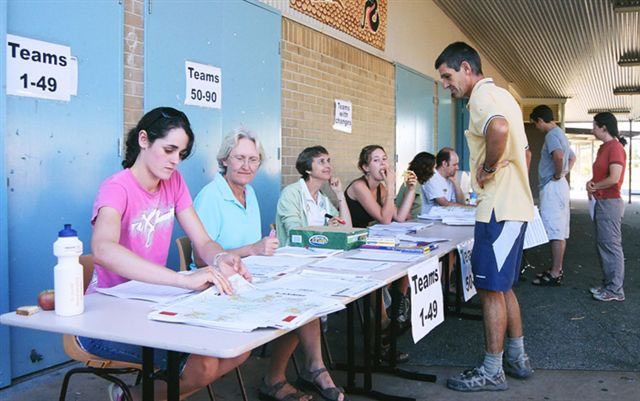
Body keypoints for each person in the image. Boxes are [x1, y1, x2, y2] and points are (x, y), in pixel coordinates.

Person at [78, 107, 251, 401]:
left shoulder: (174, 183)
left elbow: (204, 242)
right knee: (203, 366)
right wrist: (182, 280)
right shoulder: (116, 188)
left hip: (151, 306)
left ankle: (136, 396)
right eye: (169, 149)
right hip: (105, 319)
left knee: (239, 348)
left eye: (181, 154)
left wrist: (221, 259)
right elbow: (103, 249)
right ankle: (131, 397)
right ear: (144, 140)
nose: (174, 161)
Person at [194, 134, 345, 401]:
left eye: (253, 159)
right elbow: (201, 254)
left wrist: (260, 251)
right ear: (224, 160)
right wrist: (253, 249)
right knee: (294, 303)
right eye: (239, 158)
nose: (246, 166)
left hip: (249, 277)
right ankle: (285, 376)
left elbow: (253, 249)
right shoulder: (211, 196)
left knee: (306, 296)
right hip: (218, 284)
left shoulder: (248, 193)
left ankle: (307, 370)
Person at [435, 42, 534, 392]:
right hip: (515, 205)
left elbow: (500, 131)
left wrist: (487, 168)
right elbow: (525, 151)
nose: (447, 84)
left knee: (490, 289)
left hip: (498, 208)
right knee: (502, 286)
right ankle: (517, 357)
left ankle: (493, 369)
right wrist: (512, 175)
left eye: (447, 76)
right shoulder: (505, 96)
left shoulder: (480, 98)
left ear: (465, 68)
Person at [344, 145, 417, 362]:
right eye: (376, 160)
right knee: (374, 280)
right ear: (365, 167)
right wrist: (392, 185)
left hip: (367, 244)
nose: (382, 164)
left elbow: (399, 217)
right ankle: (383, 329)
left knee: (404, 267)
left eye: (384, 159)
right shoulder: (359, 186)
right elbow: (384, 219)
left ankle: (394, 315)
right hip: (350, 249)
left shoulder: (382, 189)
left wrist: (411, 190)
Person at [529, 105, 576, 286]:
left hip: (553, 186)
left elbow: (558, 156)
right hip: (559, 185)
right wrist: (563, 173)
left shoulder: (551, 135)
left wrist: (557, 174)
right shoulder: (560, 133)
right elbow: (572, 157)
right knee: (559, 229)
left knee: (555, 230)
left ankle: (556, 272)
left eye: (536, 124)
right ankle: (557, 268)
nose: (537, 128)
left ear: (540, 120)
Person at [276, 145, 352, 246]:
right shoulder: (291, 193)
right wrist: (326, 231)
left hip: (320, 254)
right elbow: (296, 234)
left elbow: (347, 229)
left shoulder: (323, 198)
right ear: (308, 169)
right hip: (295, 256)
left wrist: (340, 194)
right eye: (321, 161)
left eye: (328, 161)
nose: (328, 165)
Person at [587, 112, 627, 302]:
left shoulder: (615, 148)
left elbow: (614, 178)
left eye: (594, 125)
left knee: (610, 245)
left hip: (610, 202)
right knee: (604, 244)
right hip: (602, 201)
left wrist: (595, 185)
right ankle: (609, 284)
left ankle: (615, 289)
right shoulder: (605, 148)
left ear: (604, 128)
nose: (592, 129)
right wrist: (592, 183)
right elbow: (604, 176)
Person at [422, 147, 467, 214]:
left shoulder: (450, 178)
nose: (457, 168)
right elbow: (444, 203)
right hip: (431, 220)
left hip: (446, 217)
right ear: (444, 164)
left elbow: (461, 203)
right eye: (455, 165)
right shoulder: (431, 177)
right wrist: (471, 207)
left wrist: (456, 183)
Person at [396, 152, 436, 219]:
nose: (434, 172)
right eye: (433, 168)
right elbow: (407, 215)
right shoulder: (413, 184)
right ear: (426, 168)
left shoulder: (415, 183)